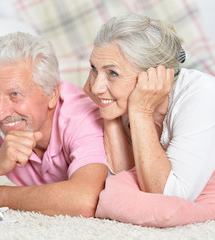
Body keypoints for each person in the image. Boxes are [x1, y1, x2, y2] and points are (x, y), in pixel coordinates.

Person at [0, 32, 108, 217]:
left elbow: (84, 200)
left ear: (52, 94)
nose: (1, 113)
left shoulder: (81, 115)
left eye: (15, 95)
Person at [83, 14, 215, 226]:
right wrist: (109, 111)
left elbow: (170, 195)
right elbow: (126, 172)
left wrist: (141, 111)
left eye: (112, 73)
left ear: (154, 76)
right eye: (94, 69)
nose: (96, 87)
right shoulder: (129, 99)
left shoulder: (204, 95)